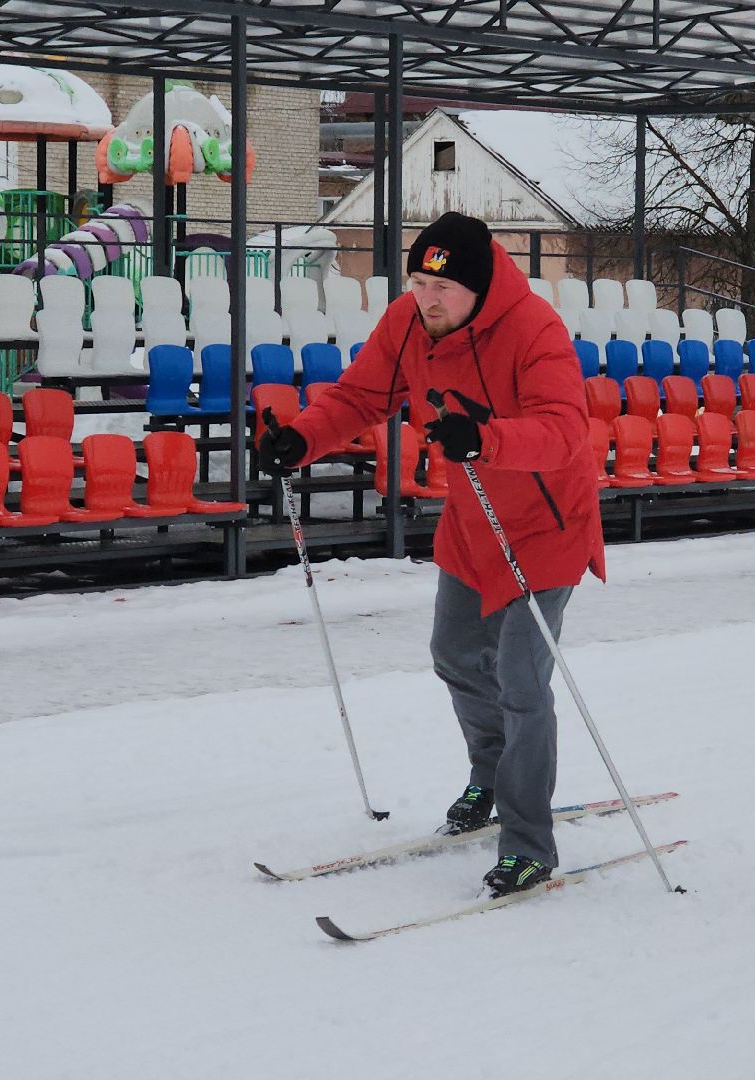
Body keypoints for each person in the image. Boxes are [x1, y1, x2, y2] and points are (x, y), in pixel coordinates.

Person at [257, 211, 604, 896]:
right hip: (473, 523)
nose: (427, 298)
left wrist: (486, 437)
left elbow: (565, 432)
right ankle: (490, 777)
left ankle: (529, 844)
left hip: (544, 527)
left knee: (521, 682)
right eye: (418, 281)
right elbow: (361, 395)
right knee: (453, 654)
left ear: (478, 288)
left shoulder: (535, 330)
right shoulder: (409, 324)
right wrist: (302, 439)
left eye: (442, 287)